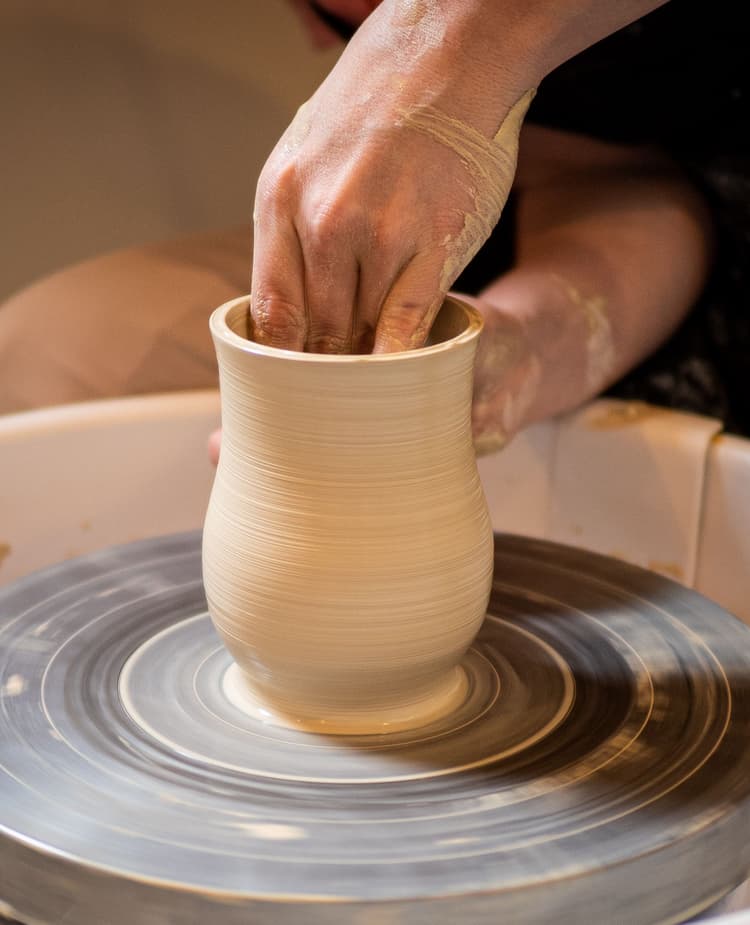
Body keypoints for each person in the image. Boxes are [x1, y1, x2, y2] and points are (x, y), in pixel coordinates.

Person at [1, 0, 746, 452]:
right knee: (42, 354)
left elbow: (622, 169)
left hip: (723, 235)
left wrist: (447, 44)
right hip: (545, 220)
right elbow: (587, 169)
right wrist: (520, 347)